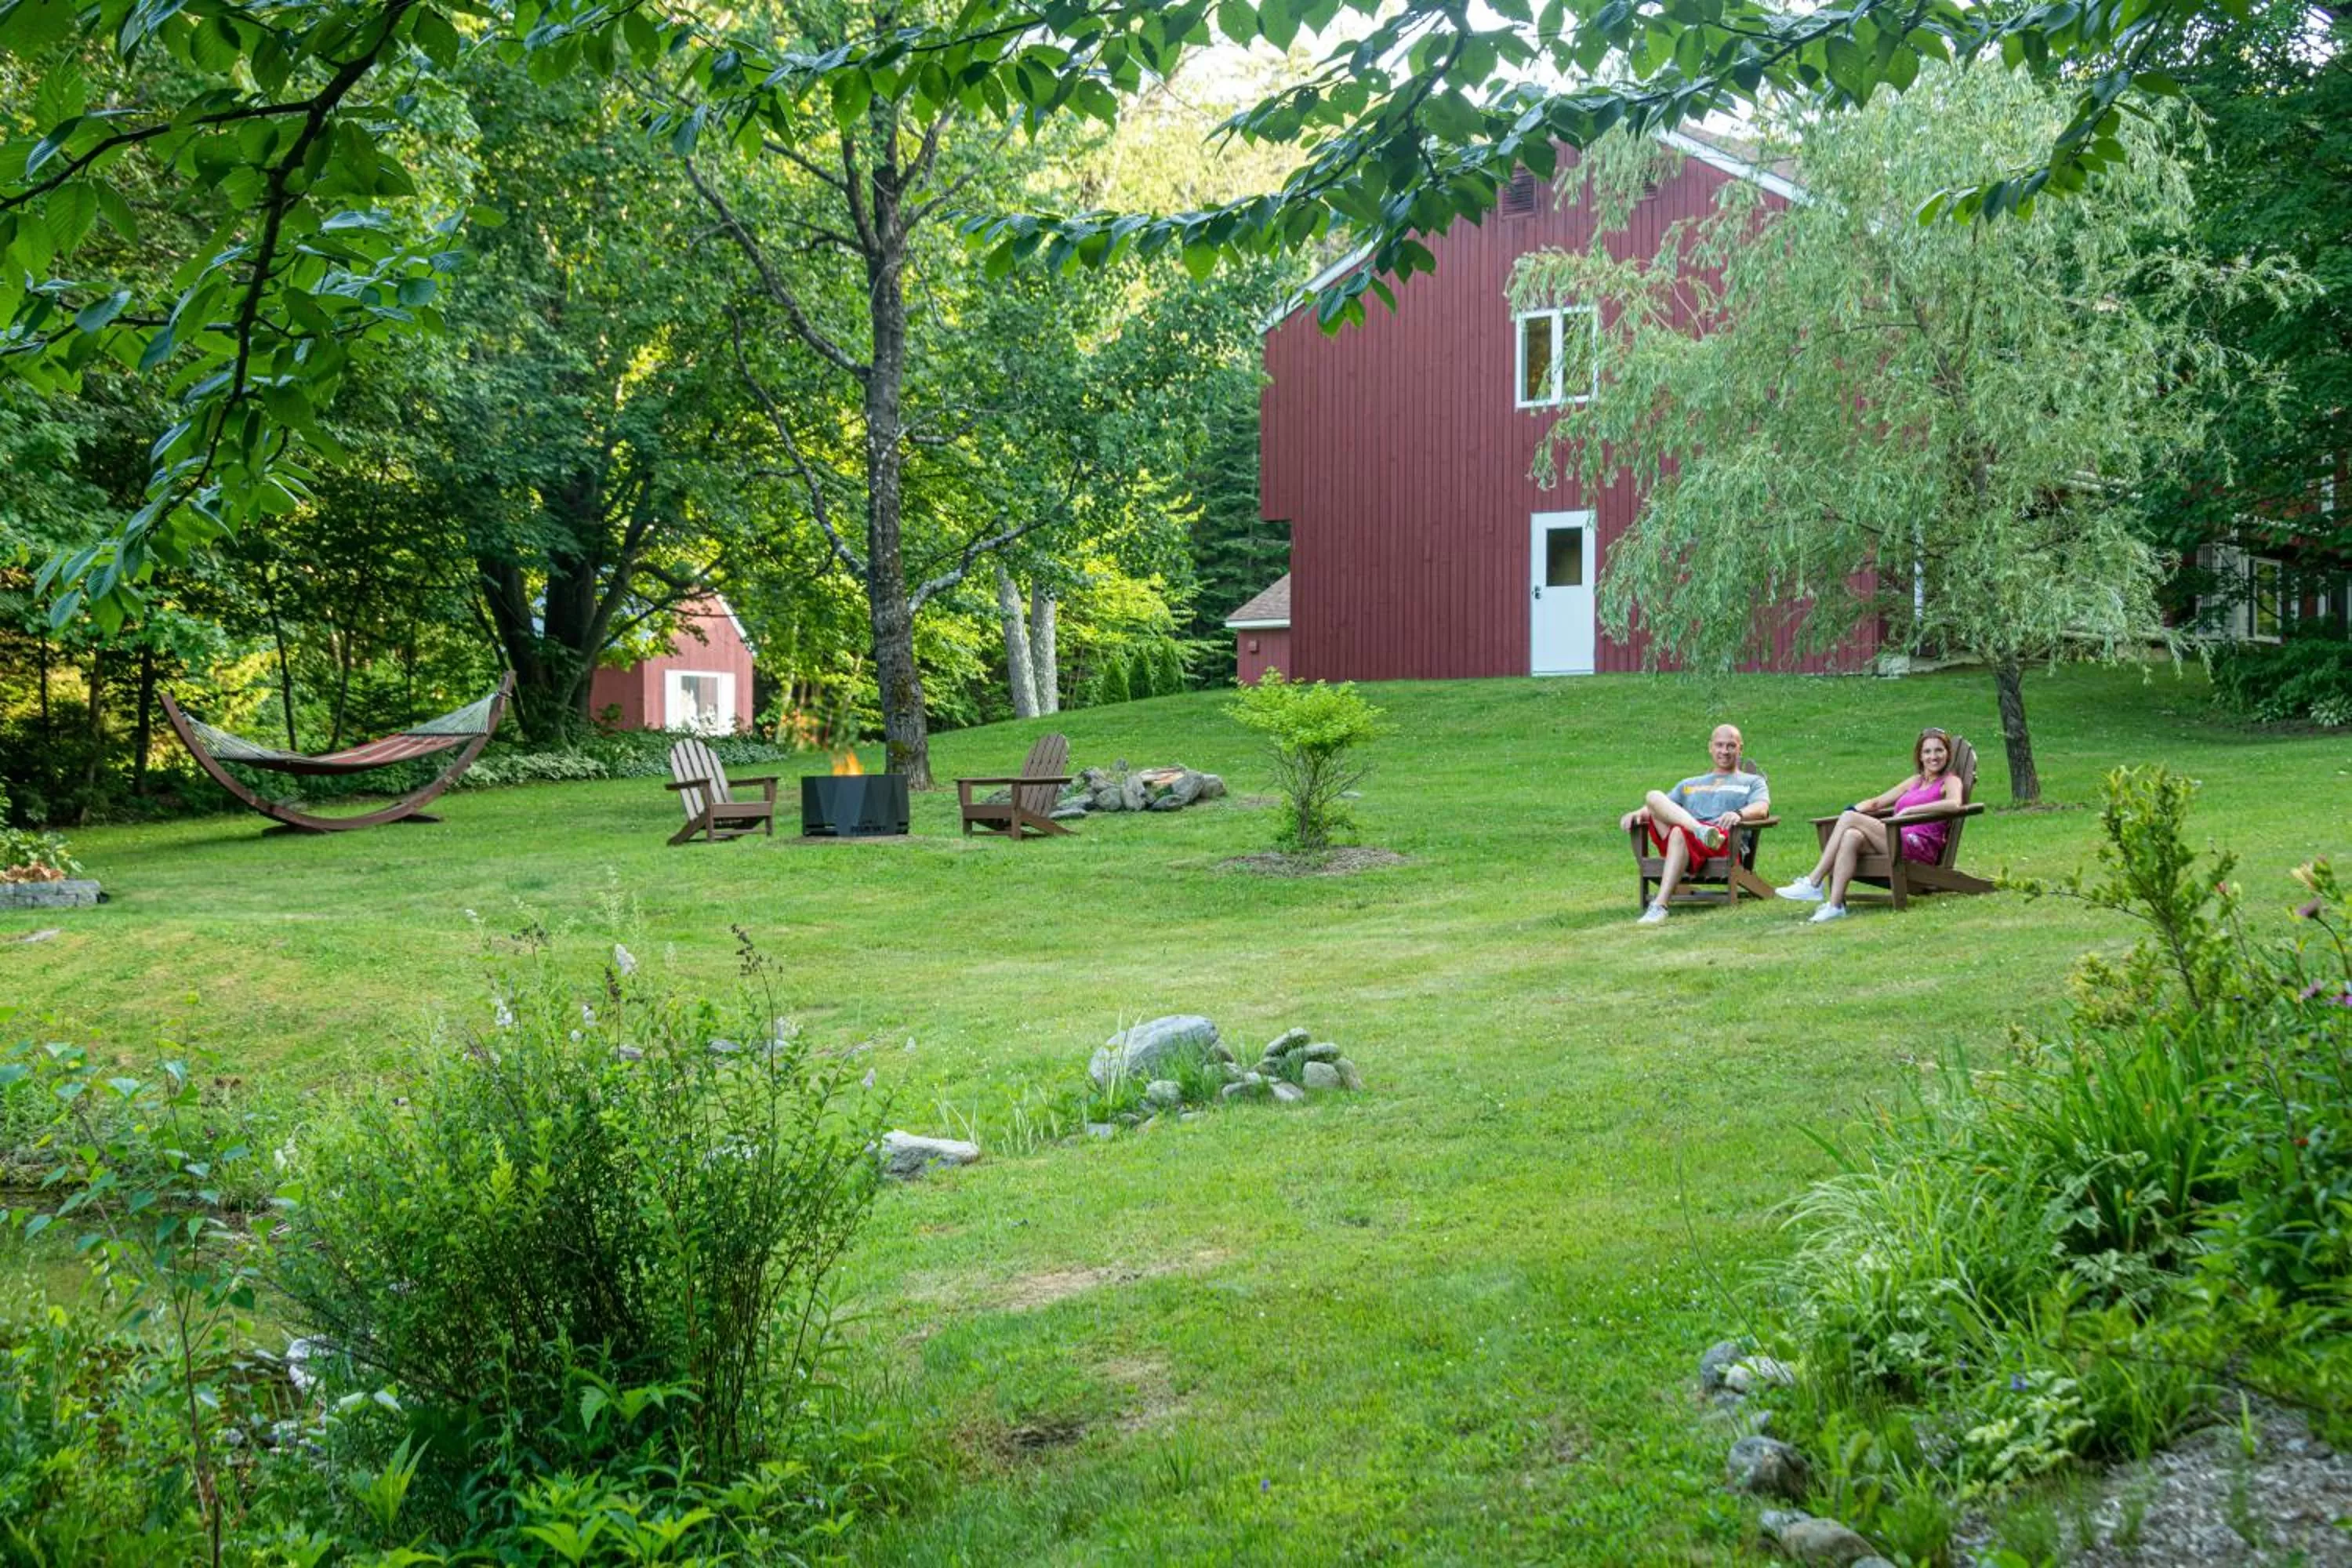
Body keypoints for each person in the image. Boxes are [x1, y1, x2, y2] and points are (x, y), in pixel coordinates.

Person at [1777, 727, 1964, 924]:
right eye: (1927, 751)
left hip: (1919, 848)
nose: (1933, 756)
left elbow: (1954, 803)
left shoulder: (1950, 781)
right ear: (1919, 755)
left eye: (1939, 750)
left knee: (1850, 819)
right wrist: (1851, 811)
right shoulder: (1915, 781)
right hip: (1896, 838)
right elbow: (1877, 803)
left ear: (1947, 753)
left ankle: (1813, 882)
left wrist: (1912, 811)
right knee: (1851, 835)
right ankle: (1835, 906)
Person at [1620, 724, 1770, 925]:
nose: (1724, 751)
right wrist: (1637, 813)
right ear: (1710, 747)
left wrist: (1739, 814)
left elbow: (1762, 808)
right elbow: (1660, 806)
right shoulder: (1690, 783)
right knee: (1653, 796)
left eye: (1731, 746)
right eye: (1719, 745)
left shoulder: (1751, 781)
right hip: (1687, 841)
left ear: (1740, 749)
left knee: (1678, 833)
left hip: (1721, 842)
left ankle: (1660, 905)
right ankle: (1699, 830)